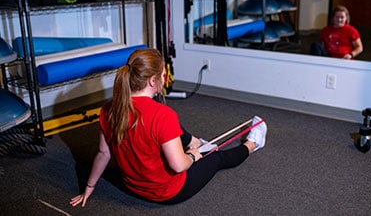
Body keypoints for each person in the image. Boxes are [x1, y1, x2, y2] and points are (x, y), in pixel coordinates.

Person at [70, 48, 267, 206]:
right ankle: (253, 143)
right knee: (215, 156)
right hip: (168, 193)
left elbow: (103, 154)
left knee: (172, 128)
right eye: (164, 75)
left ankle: (195, 142)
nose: (166, 80)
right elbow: (179, 166)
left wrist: (89, 187)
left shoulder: (108, 110)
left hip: (132, 187)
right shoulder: (163, 115)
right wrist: (192, 155)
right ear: (152, 81)